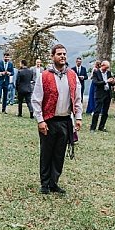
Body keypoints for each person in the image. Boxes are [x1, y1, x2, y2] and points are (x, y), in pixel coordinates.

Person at [31, 44, 82, 194]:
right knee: (47, 152)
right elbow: (36, 100)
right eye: (59, 54)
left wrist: (78, 117)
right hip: (49, 120)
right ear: (53, 56)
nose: (62, 56)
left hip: (66, 120)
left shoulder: (72, 75)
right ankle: (45, 183)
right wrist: (40, 120)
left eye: (64, 54)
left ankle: (54, 182)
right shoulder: (44, 76)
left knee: (59, 154)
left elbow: (77, 97)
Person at [90, 61, 114, 132]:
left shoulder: (109, 73)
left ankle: (101, 127)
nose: (106, 69)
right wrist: (106, 81)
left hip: (107, 93)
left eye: (108, 68)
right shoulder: (96, 72)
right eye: (106, 67)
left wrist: (113, 82)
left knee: (105, 112)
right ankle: (93, 128)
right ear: (102, 66)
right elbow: (95, 83)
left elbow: (111, 84)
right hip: (100, 94)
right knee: (97, 111)